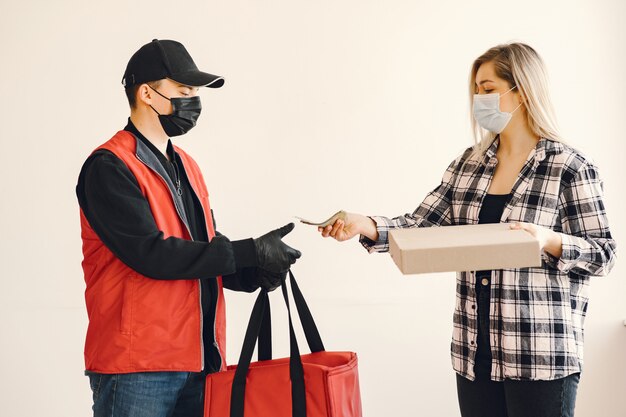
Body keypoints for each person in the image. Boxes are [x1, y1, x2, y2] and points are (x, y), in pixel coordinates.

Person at [318, 43, 616, 417]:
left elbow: (603, 254)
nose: (479, 99)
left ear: (521, 91)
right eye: (476, 89)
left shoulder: (569, 167)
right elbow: (423, 226)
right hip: (476, 357)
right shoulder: (468, 164)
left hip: (540, 357)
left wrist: (549, 240)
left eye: (489, 90)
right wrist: (368, 225)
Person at [76, 39, 301, 417]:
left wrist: (252, 271)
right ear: (147, 93)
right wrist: (248, 250)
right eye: (183, 91)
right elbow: (152, 254)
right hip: (138, 369)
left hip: (200, 361)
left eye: (195, 93)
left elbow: (200, 252)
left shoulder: (187, 166)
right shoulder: (109, 167)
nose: (193, 102)